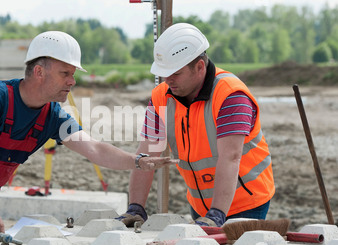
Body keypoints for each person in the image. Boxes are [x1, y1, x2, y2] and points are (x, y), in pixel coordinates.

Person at [0, 31, 178, 237]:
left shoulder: (52, 116)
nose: (72, 81)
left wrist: (138, 161)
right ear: (38, 72)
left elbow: (93, 148)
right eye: (65, 73)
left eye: (73, 74)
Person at [118, 23, 275, 228]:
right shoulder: (161, 97)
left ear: (200, 67)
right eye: (164, 73)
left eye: (175, 73)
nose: (168, 80)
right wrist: (136, 208)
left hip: (246, 202)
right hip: (200, 204)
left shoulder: (231, 96)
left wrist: (217, 214)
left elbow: (231, 157)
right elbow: (146, 154)